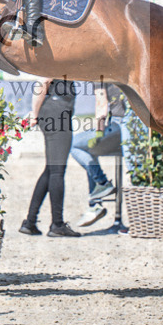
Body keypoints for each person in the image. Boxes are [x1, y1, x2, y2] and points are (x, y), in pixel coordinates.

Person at [20, 77, 82, 238]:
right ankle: (57, 224)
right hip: (57, 111)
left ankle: (30, 222)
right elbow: (43, 81)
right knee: (57, 171)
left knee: (51, 169)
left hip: (56, 110)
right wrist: (34, 114)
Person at [69, 83, 129, 227]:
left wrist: (99, 133)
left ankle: (101, 187)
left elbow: (101, 106)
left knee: (75, 145)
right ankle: (96, 200)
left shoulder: (99, 74)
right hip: (131, 127)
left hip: (118, 126)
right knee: (88, 149)